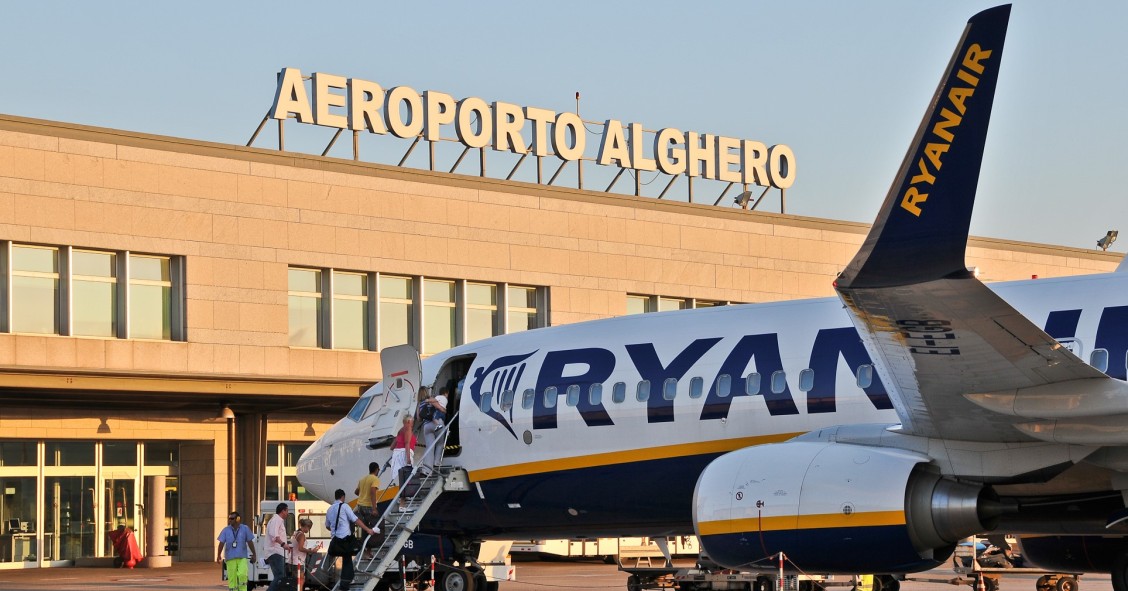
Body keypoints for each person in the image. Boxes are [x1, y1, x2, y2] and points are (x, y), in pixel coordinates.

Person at [326, 488, 377, 587]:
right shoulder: (344, 506)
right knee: (357, 546)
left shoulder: (330, 509)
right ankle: (366, 555)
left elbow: (327, 526)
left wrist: (335, 530)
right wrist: (367, 529)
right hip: (345, 540)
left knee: (347, 557)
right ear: (343, 497)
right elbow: (355, 520)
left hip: (335, 542)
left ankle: (347, 581)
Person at [217, 511, 258, 591]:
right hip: (230, 559)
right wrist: (218, 555)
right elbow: (221, 543)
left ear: (238, 519)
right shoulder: (226, 530)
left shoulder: (245, 528)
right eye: (229, 518)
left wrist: (254, 554)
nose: (230, 520)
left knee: (242, 574)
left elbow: (250, 542)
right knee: (232, 578)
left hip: (242, 557)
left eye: (232, 518)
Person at [390, 414, 417, 508]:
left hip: (397, 454)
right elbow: (407, 443)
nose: (413, 423)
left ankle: (401, 502)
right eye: (412, 421)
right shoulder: (408, 429)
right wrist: (408, 458)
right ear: (409, 421)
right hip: (404, 454)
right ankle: (402, 504)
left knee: (402, 479)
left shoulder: (400, 430)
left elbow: (392, 447)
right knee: (406, 479)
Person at [421, 387, 448, 472]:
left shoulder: (420, 404)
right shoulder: (433, 399)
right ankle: (436, 462)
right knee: (440, 443)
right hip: (436, 423)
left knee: (430, 447)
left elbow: (418, 418)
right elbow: (439, 408)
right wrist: (445, 410)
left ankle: (427, 469)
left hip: (426, 425)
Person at [264, 502, 291, 591]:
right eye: (287, 511)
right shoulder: (277, 520)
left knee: (280, 576)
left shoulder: (276, 520)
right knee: (280, 575)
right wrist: (283, 544)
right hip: (275, 552)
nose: (287, 513)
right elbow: (274, 535)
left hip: (277, 552)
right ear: (283, 511)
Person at [290, 517, 322, 588]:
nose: (309, 530)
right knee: (300, 581)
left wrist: (309, 549)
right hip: (298, 561)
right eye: (309, 528)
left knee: (296, 581)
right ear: (306, 527)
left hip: (293, 560)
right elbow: (300, 548)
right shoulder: (301, 535)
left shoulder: (295, 533)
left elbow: (297, 546)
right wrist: (311, 551)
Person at [354, 462, 380, 528]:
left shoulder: (362, 479)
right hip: (368, 506)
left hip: (360, 506)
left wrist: (363, 493)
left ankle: (365, 537)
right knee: (376, 525)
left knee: (364, 526)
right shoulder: (375, 479)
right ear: (376, 469)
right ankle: (374, 538)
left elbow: (356, 492)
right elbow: (373, 493)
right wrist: (374, 509)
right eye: (378, 470)